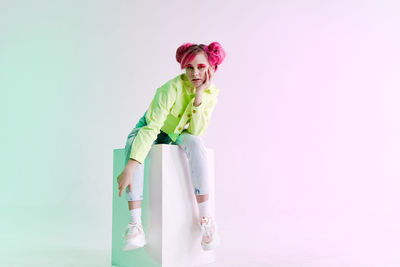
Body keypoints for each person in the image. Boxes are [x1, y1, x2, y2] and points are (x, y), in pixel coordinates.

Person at [117, 42, 226, 251]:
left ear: (212, 68)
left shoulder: (211, 94)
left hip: (176, 134)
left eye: (201, 67)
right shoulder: (170, 89)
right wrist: (130, 167)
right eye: (189, 67)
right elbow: (152, 128)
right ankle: (135, 224)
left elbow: (196, 131)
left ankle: (207, 221)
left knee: (196, 143)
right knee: (134, 144)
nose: (194, 73)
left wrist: (199, 94)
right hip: (151, 129)